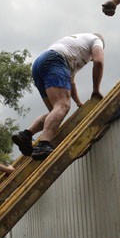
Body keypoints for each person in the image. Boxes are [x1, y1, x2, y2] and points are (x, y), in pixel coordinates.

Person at [11, 33, 105, 161]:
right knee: (62, 106)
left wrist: (78, 103)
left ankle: (26, 135)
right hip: (55, 60)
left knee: (54, 112)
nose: (92, 59)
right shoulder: (96, 40)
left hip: (40, 64)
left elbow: (71, 82)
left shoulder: (75, 47)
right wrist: (96, 90)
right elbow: (99, 62)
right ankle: (43, 144)